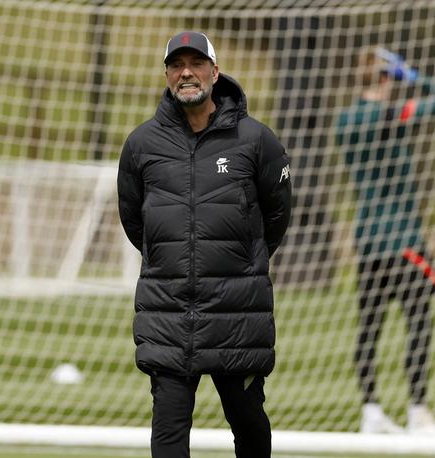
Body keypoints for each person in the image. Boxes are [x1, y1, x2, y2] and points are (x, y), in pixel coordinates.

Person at [117, 31, 291, 457]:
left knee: (249, 423)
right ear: (166, 75)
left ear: (215, 72)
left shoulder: (256, 140)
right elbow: (134, 220)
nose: (187, 73)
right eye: (177, 65)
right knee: (169, 434)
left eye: (196, 64)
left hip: (236, 313)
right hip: (169, 312)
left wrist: (239, 262)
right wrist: (175, 260)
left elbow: (277, 215)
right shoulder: (141, 144)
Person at [336, 46, 435, 435]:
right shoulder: (390, 115)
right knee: (419, 322)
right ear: (387, 78)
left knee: (369, 327)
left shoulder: (345, 120)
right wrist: (415, 77)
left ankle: (371, 411)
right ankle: (418, 411)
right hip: (403, 241)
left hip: (368, 242)